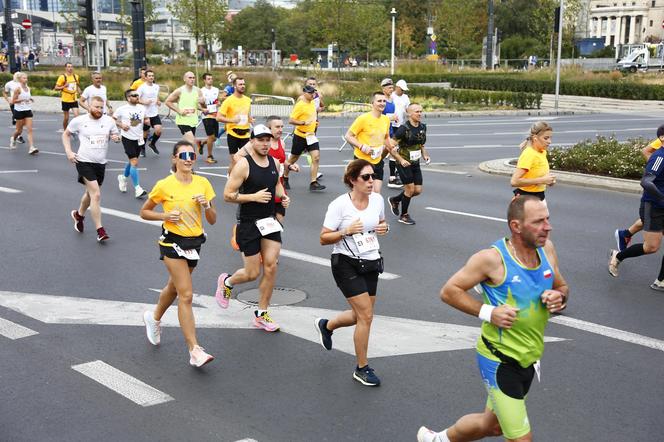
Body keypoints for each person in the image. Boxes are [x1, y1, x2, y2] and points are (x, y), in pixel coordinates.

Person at [417, 195, 569, 442]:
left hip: (529, 357)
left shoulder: (547, 249)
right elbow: (449, 291)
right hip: (499, 359)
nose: (547, 227)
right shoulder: (492, 259)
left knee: (492, 425)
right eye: (539, 221)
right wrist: (489, 312)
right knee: (521, 439)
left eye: (547, 219)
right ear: (516, 226)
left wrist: (559, 296)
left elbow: (562, 286)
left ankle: (437, 440)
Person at [140, 141, 217, 367]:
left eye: (191, 154)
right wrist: (164, 217)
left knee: (174, 287)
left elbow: (213, 220)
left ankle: (153, 318)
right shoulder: (165, 185)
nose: (188, 158)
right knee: (186, 294)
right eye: (182, 155)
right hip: (171, 242)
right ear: (174, 159)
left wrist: (207, 206)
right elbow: (144, 211)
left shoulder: (203, 183)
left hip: (194, 242)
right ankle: (194, 350)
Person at [316, 159, 390, 387]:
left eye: (373, 176)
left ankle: (327, 326)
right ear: (352, 180)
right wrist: (345, 231)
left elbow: (382, 223)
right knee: (366, 316)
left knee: (360, 315)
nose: (371, 181)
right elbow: (323, 238)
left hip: (370, 261)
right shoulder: (340, 205)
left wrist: (384, 228)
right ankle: (362, 368)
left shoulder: (377, 200)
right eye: (366, 177)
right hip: (345, 263)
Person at [215, 125, 290, 332]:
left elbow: (276, 185)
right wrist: (253, 197)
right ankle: (227, 282)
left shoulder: (275, 162)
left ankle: (261, 314)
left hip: (269, 221)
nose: (265, 144)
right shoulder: (243, 165)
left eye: (268, 140)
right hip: (248, 223)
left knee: (271, 266)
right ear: (252, 142)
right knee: (251, 273)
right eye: (260, 140)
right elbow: (228, 195)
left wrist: (282, 197)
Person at [63, 96, 120, 242]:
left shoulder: (109, 121)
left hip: (100, 163)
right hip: (83, 161)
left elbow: (115, 134)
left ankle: (79, 215)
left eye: (101, 107)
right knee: (96, 194)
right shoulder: (80, 121)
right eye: (96, 107)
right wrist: (69, 152)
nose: (99, 110)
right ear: (89, 106)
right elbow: (66, 134)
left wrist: (116, 137)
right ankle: (100, 230)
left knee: (90, 193)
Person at [608, 144, 664, 290]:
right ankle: (618, 256)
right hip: (654, 207)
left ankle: (661, 281)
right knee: (651, 247)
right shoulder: (659, 157)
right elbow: (646, 181)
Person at [235, 115, 299, 225]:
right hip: (261, 188)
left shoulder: (281, 143)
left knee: (278, 222)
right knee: (258, 223)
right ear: (269, 128)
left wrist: (289, 165)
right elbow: (237, 157)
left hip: (277, 185)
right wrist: (254, 168)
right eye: (277, 127)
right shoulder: (255, 144)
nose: (281, 130)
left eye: (282, 127)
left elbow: (280, 161)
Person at [614, 124, 664, 251]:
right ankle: (620, 251)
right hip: (655, 197)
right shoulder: (660, 154)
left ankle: (625, 234)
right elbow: (646, 151)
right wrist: (658, 170)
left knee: (650, 218)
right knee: (651, 218)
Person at [388, 103, 430, 225]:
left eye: (421, 111)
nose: (420, 114)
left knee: (417, 190)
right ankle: (404, 215)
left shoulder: (423, 127)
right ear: (409, 114)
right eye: (417, 111)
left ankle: (395, 200)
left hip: (415, 163)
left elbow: (421, 144)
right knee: (410, 189)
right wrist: (400, 160)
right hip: (404, 163)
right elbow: (391, 146)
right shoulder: (403, 129)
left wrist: (425, 155)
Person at [344, 91, 392, 193]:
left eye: (384, 101)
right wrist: (361, 146)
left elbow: (386, 136)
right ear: (372, 103)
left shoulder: (386, 119)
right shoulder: (363, 119)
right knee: (364, 192)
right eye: (379, 101)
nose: (382, 103)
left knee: (376, 193)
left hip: (377, 161)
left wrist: (391, 147)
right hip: (362, 161)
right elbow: (348, 136)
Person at [283, 84, 325, 192]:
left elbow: (321, 107)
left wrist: (315, 122)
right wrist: (303, 122)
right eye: (310, 93)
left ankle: (313, 182)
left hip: (311, 136)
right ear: (304, 93)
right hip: (300, 136)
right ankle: (285, 177)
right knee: (293, 159)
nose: (312, 94)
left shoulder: (313, 102)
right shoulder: (300, 105)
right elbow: (291, 120)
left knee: (316, 157)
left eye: (313, 92)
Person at [114, 89, 148, 198]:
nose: (137, 97)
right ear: (128, 98)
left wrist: (147, 122)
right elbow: (113, 119)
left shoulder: (142, 108)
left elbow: (146, 118)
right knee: (134, 162)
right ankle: (138, 188)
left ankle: (123, 178)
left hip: (138, 138)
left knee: (133, 161)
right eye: (134, 96)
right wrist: (121, 125)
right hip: (127, 138)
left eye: (137, 95)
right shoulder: (122, 109)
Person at [510, 122, 556, 201]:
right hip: (525, 198)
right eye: (546, 138)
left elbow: (536, 175)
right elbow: (514, 181)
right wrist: (542, 180)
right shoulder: (529, 154)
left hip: (539, 196)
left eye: (550, 138)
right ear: (535, 138)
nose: (549, 141)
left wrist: (549, 180)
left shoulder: (542, 152)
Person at [217, 76, 253, 171]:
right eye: (240, 84)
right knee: (234, 161)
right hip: (233, 134)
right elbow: (218, 117)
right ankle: (230, 180)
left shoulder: (248, 100)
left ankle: (243, 183)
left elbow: (247, 113)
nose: (242, 86)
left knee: (246, 160)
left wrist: (250, 119)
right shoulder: (228, 101)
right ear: (234, 86)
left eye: (244, 84)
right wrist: (232, 120)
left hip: (245, 134)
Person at [165, 71, 204, 146]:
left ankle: (180, 154)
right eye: (190, 78)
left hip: (193, 121)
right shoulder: (179, 91)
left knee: (187, 143)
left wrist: (203, 108)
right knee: (191, 141)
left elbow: (197, 105)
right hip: (182, 120)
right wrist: (179, 111)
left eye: (193, 78)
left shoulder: (198, 91)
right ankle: (190, 155)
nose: (192, 79)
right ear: (184, 79)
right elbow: (167, 101)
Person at [379, 78, 402, 189]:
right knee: (384, 153)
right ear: (383, 89)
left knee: (393, 151)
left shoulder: (392, 99)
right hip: (381, 131)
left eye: (392, 88)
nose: (391, 90)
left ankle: (392, 177)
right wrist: (390, 117)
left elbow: (389, 114)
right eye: (389, 88)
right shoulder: (380, 100)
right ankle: (391, 176)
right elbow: (377, 115)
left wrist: (394, 119)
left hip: (390, 129)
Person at [9, 72, 37, 155]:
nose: (26, 79)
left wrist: (30, 99)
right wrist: (22, 100)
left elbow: (27, 96)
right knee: (19, 131)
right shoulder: (18, 89)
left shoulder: (28, 88)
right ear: (20, 79)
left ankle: (31, 147)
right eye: (24, 78)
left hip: (28, 110)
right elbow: (13, 101)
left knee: (30, 130)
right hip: (19, 111)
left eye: (26, 78)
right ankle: (13, 138)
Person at [136, 69, 162, 156]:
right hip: (145, 114)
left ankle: (152, 144)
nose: (151, 77)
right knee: (145, 132)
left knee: (158, 130)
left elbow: (156, 96)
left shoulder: (156, 86)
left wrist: (158, 101)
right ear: (146, 77)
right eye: (149, 76)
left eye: (152, 76)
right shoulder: (141, 87)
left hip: (154, 112)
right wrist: (144, 102)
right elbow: (136, 99)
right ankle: (142, 149)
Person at [199, 72, 220, 164]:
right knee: (211, 136)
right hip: (206, 115)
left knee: (214, 138)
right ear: (204, 80)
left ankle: (202, 143)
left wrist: (218, 103)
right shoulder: (201, 91)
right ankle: (209, 156)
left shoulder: (216, 89)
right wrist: (203, 109)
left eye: (211, 78)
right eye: (208, 79)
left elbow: (217, 100)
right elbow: (198, 103)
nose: (210, 80)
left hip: (215, 115)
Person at [54, 62, 80, 131]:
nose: (70, 68)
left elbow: (77, 85)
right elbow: (56, 88)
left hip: (74, 99)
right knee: (66, 118)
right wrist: (64, 86)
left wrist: (80, 92)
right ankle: (65, 131)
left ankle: (75, 130)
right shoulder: (62, 77)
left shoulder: (76, 76)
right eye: (68, 67)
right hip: (65, 100)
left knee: (77, 117)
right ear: (65, 68)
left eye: (71, 67)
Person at [4, 71, 24, 144]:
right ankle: (19, 136)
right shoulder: (9, 84)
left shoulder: (23, 83)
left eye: (20, 76)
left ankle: (14, 117)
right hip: (13, 103)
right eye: (18, 76)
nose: (19, 78)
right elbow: (5, 92)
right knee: (18, 120)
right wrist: (8, 99)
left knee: (22, 120)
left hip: (22, 103)